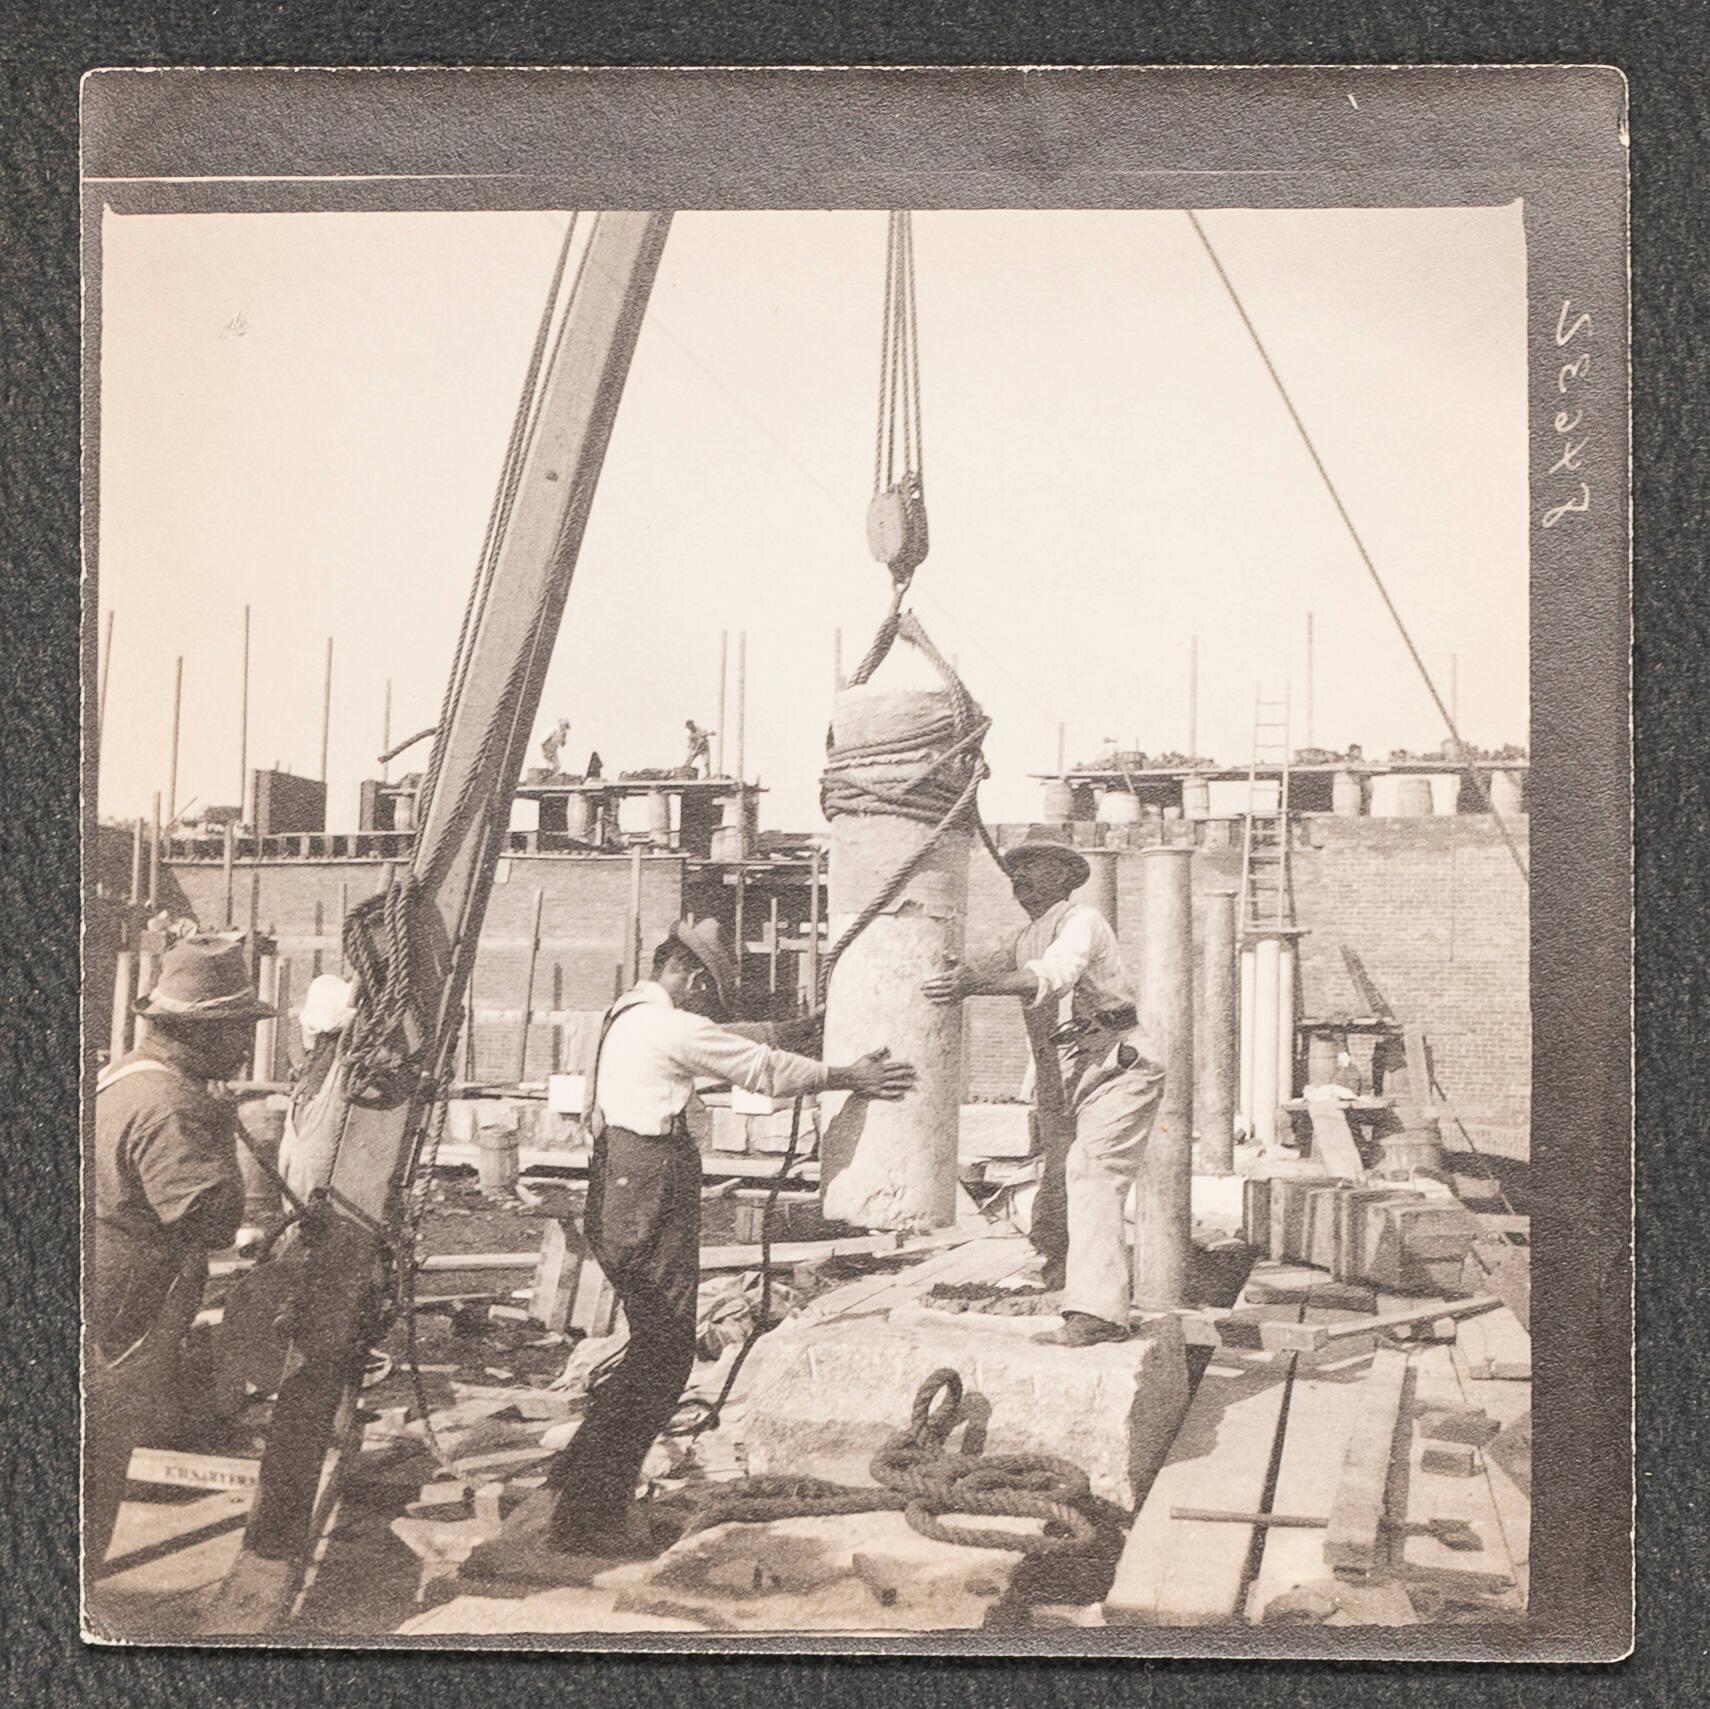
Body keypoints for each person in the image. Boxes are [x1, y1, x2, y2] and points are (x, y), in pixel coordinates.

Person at [543, 919, 915, 1557]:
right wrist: (849, 1077)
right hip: (649, 1197)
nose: (708, 1009)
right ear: (688, 979)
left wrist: (797, 1028)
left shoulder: (629, 1012)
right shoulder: (669, 1025)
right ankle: (588, 1518)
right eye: (706, 995)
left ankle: (578, 1480)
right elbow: (758, 1068)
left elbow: (724, 1040)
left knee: (647, 1353)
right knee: (664, 1359)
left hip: (621, 1193)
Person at [922, 831, 1163, 1348]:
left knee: (1092, 1172)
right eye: (1016, 870)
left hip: (1118, 1064)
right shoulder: (1023, 937)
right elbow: (971, 967)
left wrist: (970, 986)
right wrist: (942, 967)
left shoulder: (1082, 921)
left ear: (1066, 876)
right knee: (1057, 1177)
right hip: (1067, 1070)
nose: (1021, 879)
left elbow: (1056, 974)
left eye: (1035, 866)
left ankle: (1099, 1314)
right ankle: (1060, 1273)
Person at [88, 937, 276, 1563]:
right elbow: (210, 1220)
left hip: (95, 1286)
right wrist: (225, 1135)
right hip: (122, 1311)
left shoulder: (126, 1075)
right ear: (199, 1032)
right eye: (238, 1030)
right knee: (96, 1456)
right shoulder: (177, 1106)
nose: (247, 1046)